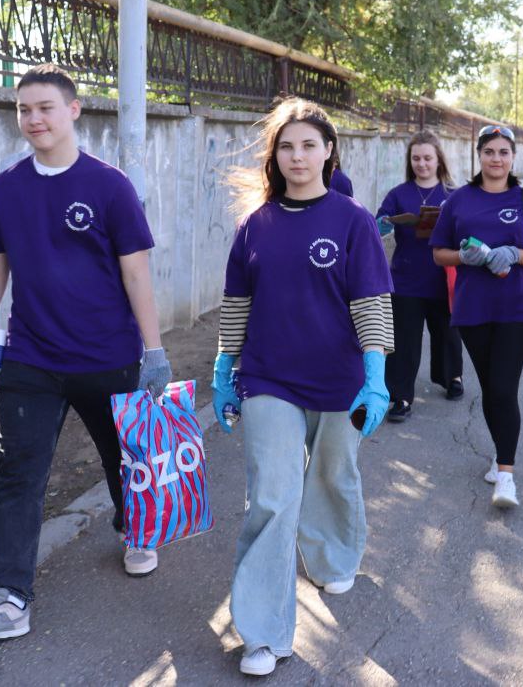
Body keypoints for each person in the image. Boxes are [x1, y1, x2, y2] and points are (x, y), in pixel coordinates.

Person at [0, 64, 173, 644]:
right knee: (18, 474)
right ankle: (10, 598)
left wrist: (155, 350)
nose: (33, 119)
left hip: (109, 357)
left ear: (73, 110)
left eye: (45, 107)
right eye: (24, 109)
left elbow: (136, 272)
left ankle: (135, 527)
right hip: (32, 359)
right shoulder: (6, 189)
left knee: (124, 462)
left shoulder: (109, 185)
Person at [210, 98, 394, 677]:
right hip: (269, 378)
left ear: (328, 151)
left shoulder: (352, 220)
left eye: (308, 145)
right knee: (271, 495)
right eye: (286, 146)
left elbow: (370, 303)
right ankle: (263, 633)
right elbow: (236, 305)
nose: (297, 156)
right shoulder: (255, 226)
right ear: (276, 156)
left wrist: (376, 378)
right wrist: (224, 370)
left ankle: (333, 556)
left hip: (340, 380)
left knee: (333, 474)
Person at [431, 125, 523, 509]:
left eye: (503, 152)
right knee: (489, 386)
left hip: (515, 306)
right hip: (472, 307)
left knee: (503, 387)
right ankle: (501, 452)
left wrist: (515, 254)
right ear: (478, 156)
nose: (496, 159)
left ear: (512, 158)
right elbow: (439, 253)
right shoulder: (458, 201)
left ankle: (506, 476)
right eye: (489, 152)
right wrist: (464, 257)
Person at [376, 131, 465, 421]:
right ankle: (400, 397)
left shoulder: (453, 194)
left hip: (444, 277)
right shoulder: (398, 194)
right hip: (406, 279)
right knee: (404, 339)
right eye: (416, 158)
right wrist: (385, 224)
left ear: (438, 159)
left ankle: (452, 377)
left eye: (427, 158)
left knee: (447, 333)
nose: (422, 164)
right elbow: (378, 225)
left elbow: (467, 229)